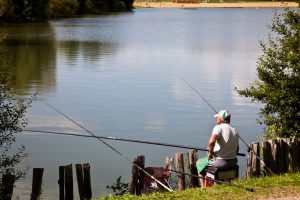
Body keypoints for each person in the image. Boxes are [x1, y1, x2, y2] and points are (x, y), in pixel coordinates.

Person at [197, 110, 239, 188]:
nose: (216, 119)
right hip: (233, 161)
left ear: (220, 119)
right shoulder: (235, 129)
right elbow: (237, 149)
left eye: (217, 118)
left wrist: (211, 152)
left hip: (221, 163)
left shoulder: (218, 127)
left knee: (199, 163)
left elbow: (211, 141)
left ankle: (203, 188)